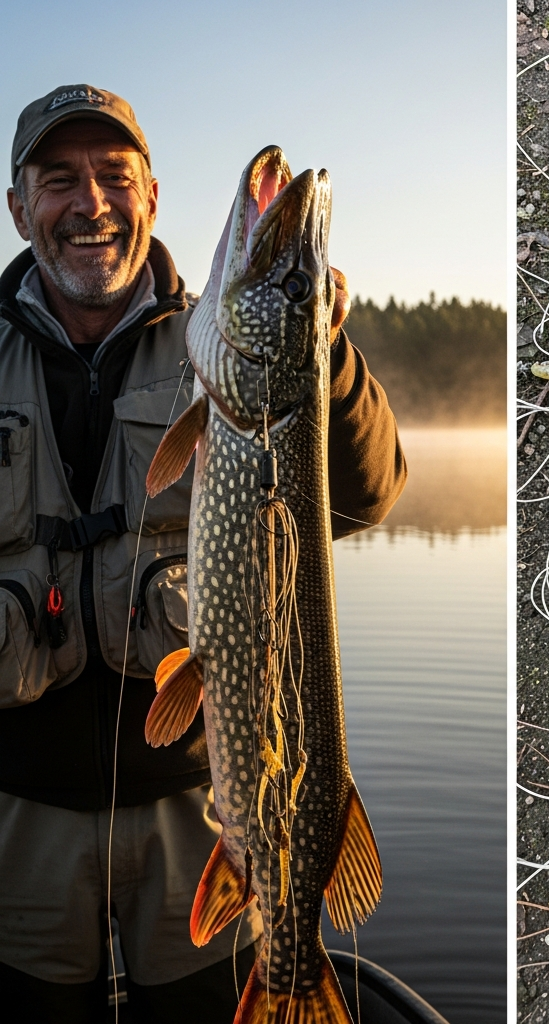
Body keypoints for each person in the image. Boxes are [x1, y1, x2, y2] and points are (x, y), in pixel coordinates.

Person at [0, 84, 406, 1023]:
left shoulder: (219, 345)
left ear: (150, 199)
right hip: (15, 816)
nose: (90, 202)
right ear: (20, 208)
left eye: (114, 177)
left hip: (205, 807)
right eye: (59, 180)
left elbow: (371, 493)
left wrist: (325, 356)